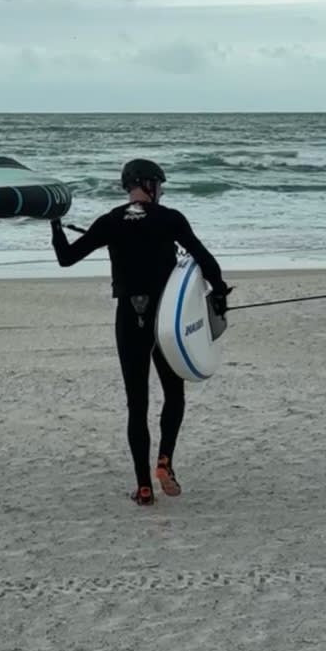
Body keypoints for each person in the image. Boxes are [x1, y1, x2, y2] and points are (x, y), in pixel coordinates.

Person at [51, 158, 230, 505]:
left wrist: (56, 225)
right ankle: (165, 462)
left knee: (137, 403)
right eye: (159, 185)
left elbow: (66, 258)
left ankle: (144, 487)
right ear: (148, 184)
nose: (161, 191)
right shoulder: (171, 218)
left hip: (129, 317)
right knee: (173, 394)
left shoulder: (110, 221)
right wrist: (219, 293)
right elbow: (206, 261)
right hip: (166, 320)